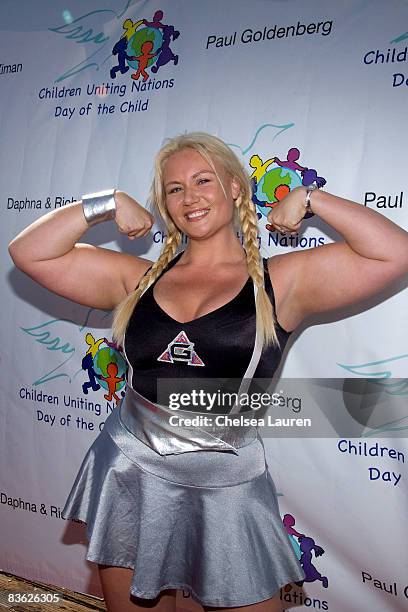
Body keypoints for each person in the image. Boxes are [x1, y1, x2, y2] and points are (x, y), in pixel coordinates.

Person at [8, 132, 408, 612]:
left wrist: (312, 198)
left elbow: (394, 252)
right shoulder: (137, 280)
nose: (189, 197)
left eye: (203, 180)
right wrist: (106, 203)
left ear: (235, 188)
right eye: (174, 189)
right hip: (130, 472)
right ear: (165, 204)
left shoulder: (280, 281)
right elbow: (29, 252)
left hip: (226, 484)